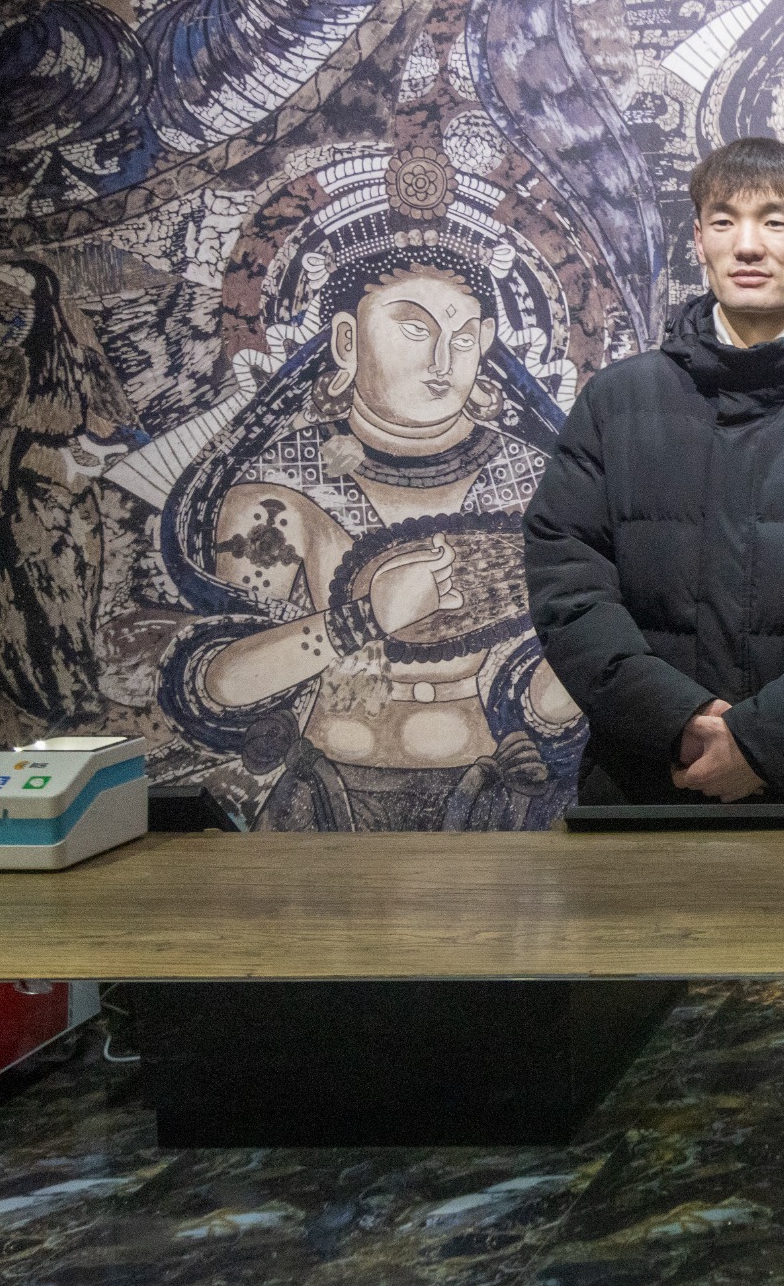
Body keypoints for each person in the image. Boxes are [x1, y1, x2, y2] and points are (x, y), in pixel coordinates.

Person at [523, 136, 784, 804]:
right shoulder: (617, 402)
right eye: (724, 221)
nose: (747, 246)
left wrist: (764, 741)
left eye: (775, 222)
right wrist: (676, 722)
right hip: (648, 781)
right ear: (699, 240)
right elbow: (567, 583)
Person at [162, 150, 581, 830]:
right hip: (325, 801)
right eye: (414, 328)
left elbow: (545, 678)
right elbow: (219, 685)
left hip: (494, 802)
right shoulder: (282, 490)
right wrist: (365, 618)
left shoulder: (532, 480)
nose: (442, 359)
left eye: (463, 336)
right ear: (346, 340)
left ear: (486, 342)